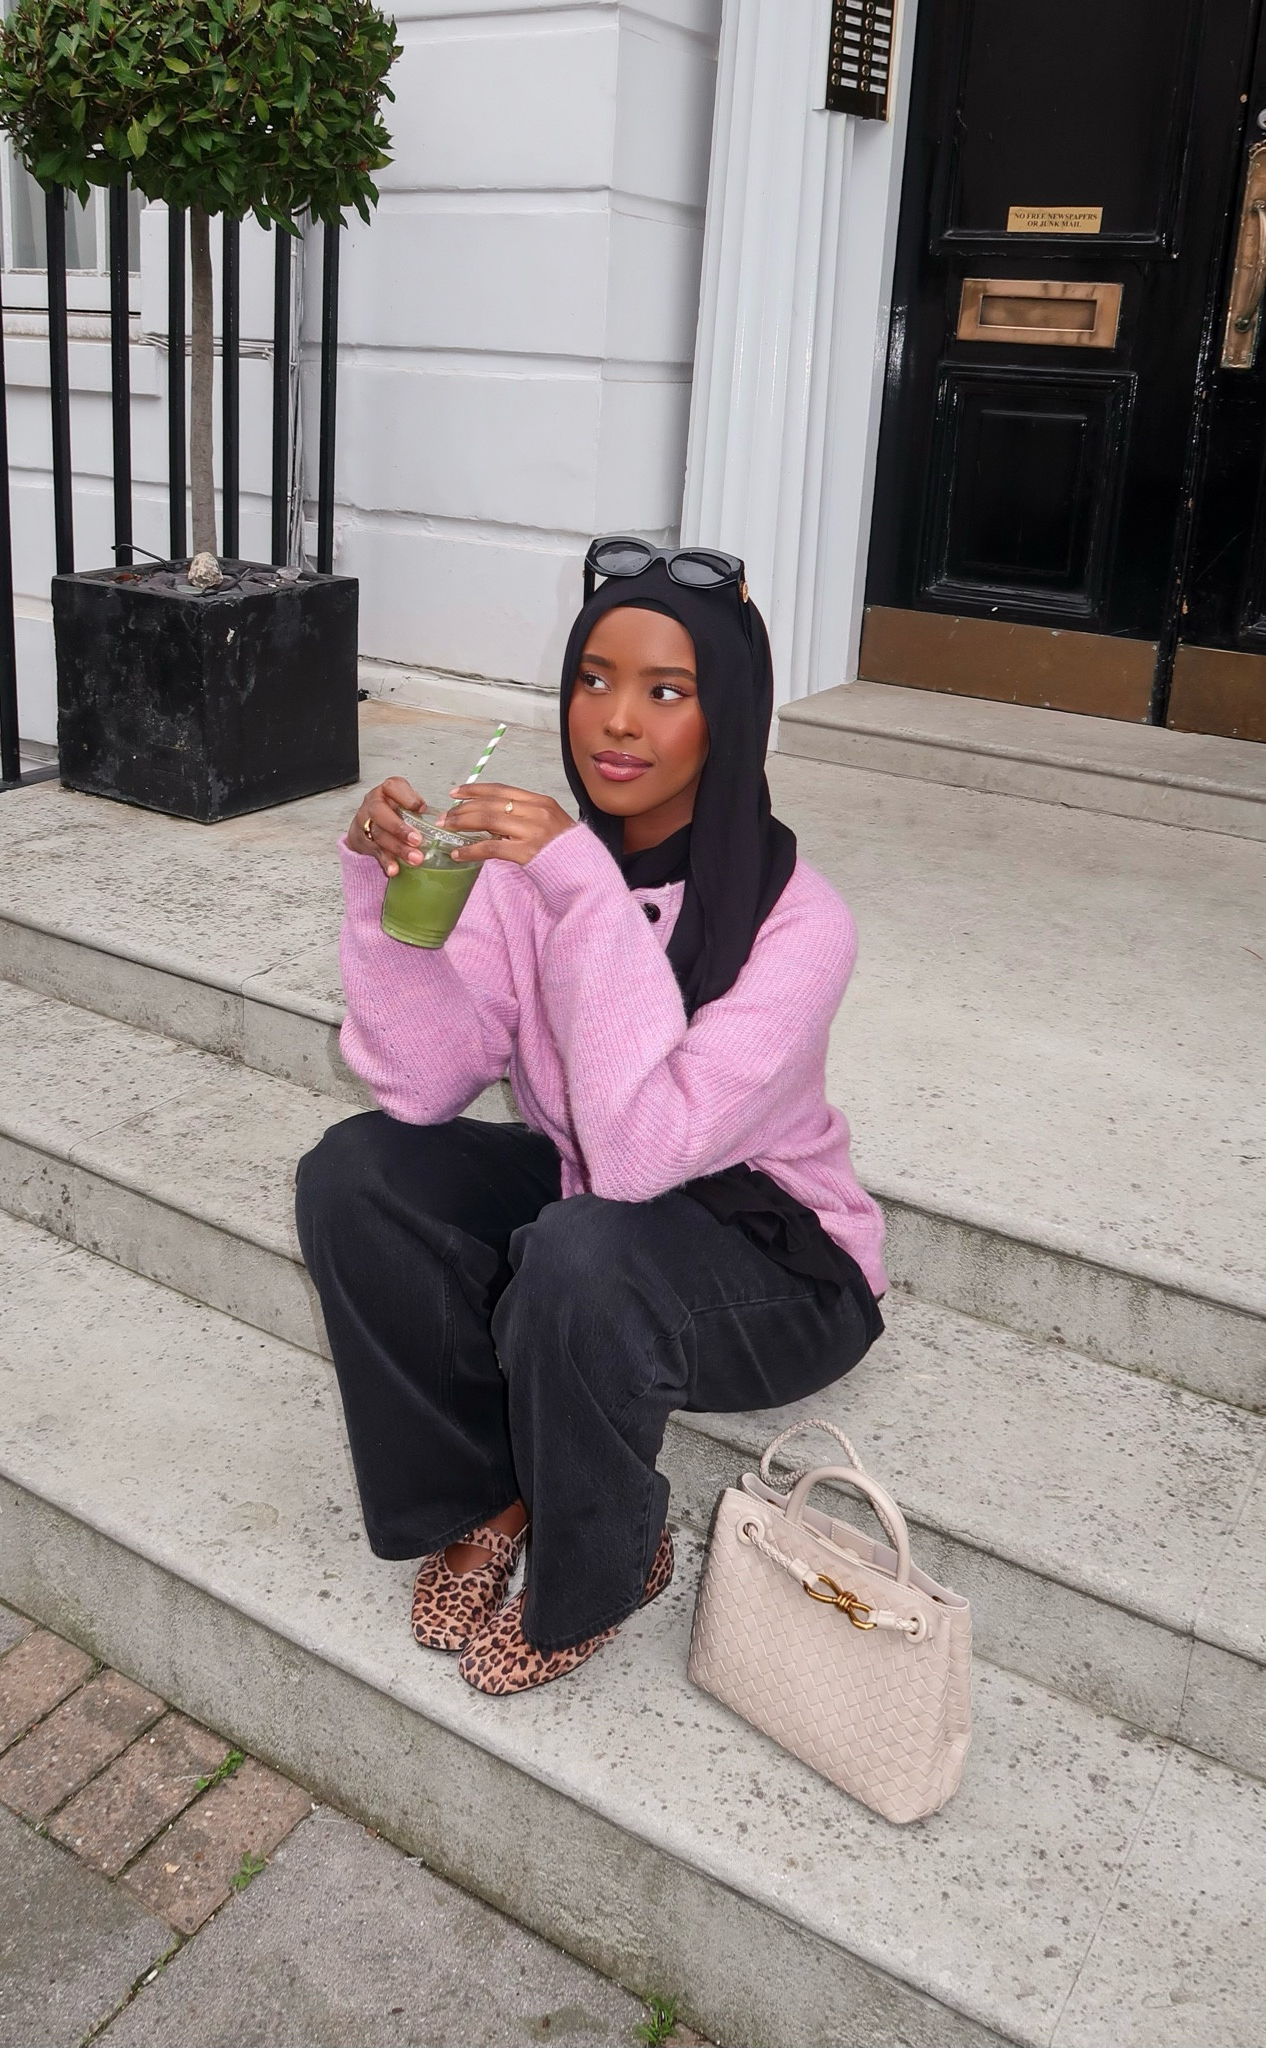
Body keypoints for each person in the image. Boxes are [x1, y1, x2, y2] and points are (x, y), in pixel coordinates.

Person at [295, 540, 885, 1697]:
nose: (616, 721)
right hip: (593, 1205)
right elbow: (421, 1086)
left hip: (777, 1256)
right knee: (356, 1172)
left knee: (580, 1253)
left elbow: (639, 1150)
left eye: (666, 692)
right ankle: (485, 1489)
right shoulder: (535, 874)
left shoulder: (801, 922)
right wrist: (382, 899)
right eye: (593, 679)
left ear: (731, 716)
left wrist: (582, 889)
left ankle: (608, 1560)